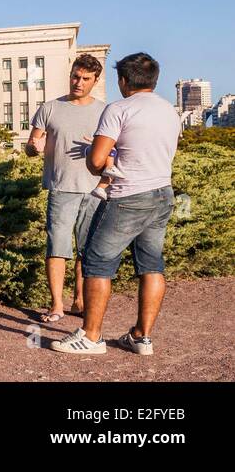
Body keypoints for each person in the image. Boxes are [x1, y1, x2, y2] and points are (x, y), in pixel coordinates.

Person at [52, 53, 181, 355]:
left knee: (97, 262)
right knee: (151, 265)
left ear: (123, 80)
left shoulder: (119, 109)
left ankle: (91, 336)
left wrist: (101, 161)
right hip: (162, 194)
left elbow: (97, 160)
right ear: (154, 80)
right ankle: (141, 337)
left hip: (127, 196)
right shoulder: (169, 111)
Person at [25, 54, 107, 323]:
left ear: (95, 80)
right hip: (61, 187)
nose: (78, 82)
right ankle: (56, 305)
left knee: (87, 249)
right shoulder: (50, 108)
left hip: (95, 189)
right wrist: (33, 148)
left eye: (85, 79)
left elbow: (115, 151)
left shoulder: (105, 111)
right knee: (57, 247)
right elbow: (30, 146)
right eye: (75, 76)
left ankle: (80, 299)